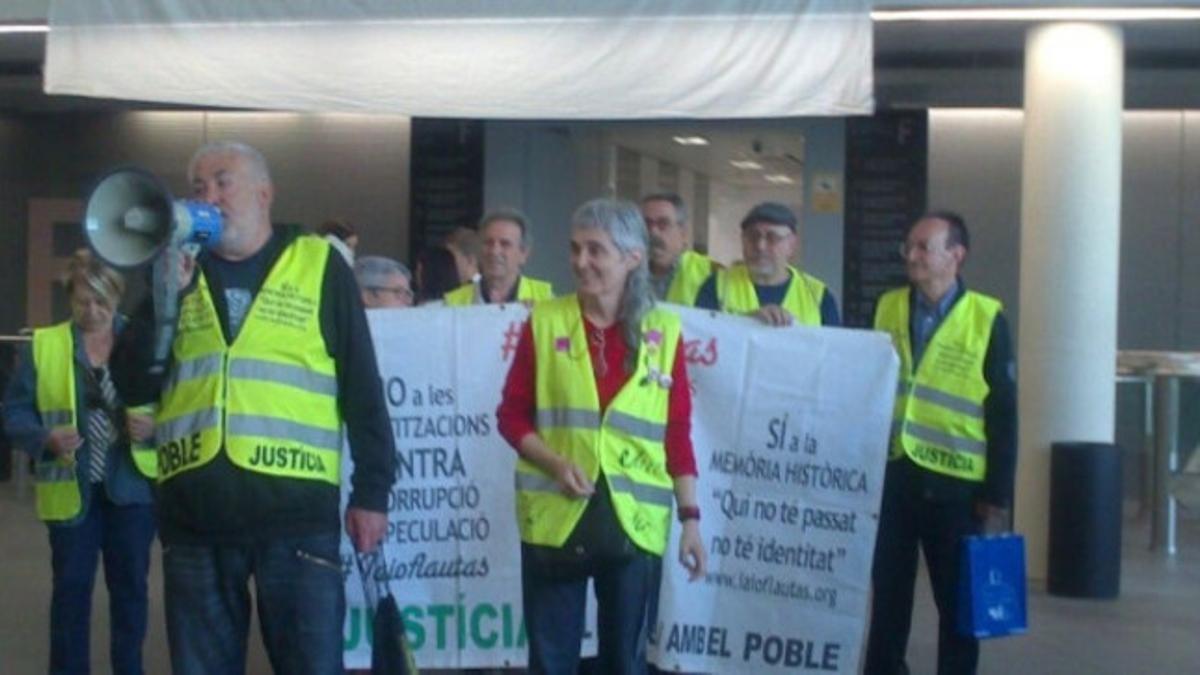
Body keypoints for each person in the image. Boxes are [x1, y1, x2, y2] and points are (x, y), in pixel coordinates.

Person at [110, 140, 396, 675]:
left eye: (223, 182)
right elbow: (131, 382)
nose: (209, 197)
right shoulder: (176, 269)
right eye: (198, 188)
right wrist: (162, 299)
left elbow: (362, 386)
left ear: (264, 194)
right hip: (195, 516)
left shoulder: (318, 266)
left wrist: (373, 492)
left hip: (296, 516)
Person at [497, 198, 706, 675]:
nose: (580, 262)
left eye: (596, 250)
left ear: (633, 258)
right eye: (574, 249)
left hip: (635, 523)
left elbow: (676, 433)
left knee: (625, 664)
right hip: (554, 516)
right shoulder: (545, 321)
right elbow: (511, 415)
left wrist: (691, 519)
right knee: (551, 663)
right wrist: (553, 463)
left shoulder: (663, 330)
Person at [864, 211, 1017, 675]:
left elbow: (1004, 410)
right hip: (895, 477)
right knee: (888, 597)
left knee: (958, 603)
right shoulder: (887, 305)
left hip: (957, 488)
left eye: (922, 248)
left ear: (956, 255)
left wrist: (997, 492)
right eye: (908, 247)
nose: (911, 256)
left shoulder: (986, 317)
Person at [4, 249, 157, 674]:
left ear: (117, 297)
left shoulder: (142, 342)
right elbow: (14, 412)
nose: (92, 311)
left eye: (101, 302)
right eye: (82, 301)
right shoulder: (46, 345)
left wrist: (156, 426)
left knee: (131, 594)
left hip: (132, 491)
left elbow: (180, 403)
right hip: (71, 490)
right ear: (69, 299)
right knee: (70, 594)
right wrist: (43, 438)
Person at [695, 201, 839, 326]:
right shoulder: (717, 286)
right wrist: (744, 323)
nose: (760, 246)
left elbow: (835, 353)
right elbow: (703, 342)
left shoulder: (818, 296)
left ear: (792, 244)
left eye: (772, 238)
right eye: (753, 236)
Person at [444, 208, 554, 305]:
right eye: (488, 243)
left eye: (505, 244)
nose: (495, 251)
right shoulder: (453, 302)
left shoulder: (546, 299)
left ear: (523, 254)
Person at [640, 193, 714, 305]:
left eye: (663, 223)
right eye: (646, 224)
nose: (653, 232)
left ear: (683, 234)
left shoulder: (710, 273)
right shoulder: (624, 271)